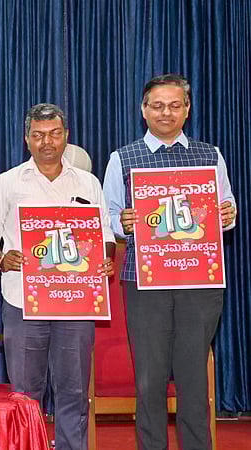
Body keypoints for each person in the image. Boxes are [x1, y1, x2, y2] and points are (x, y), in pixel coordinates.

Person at [101, 74, 237, 450]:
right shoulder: (122, 158)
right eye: (158, 106)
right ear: (144, 110)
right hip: (144, 283)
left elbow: (226, 207)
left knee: (194, 378)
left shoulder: (210, 155)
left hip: (199, 281)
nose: (166, 113)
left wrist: (228, 214)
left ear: (187, 110)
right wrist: (123, 222)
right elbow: (106, 218)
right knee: (149, 379)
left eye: (175, 105)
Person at [0, 103, 116, 450]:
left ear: (66, 137)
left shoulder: (88, 182)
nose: (47, 142)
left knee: (74, 389)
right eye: (38, 135)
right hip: (22, 302)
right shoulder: (7, 182)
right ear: (27, 139)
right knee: (26, 393)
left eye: (55, 134)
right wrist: (2, 259)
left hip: (76, 302)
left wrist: (105, 258)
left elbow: (105, 235)